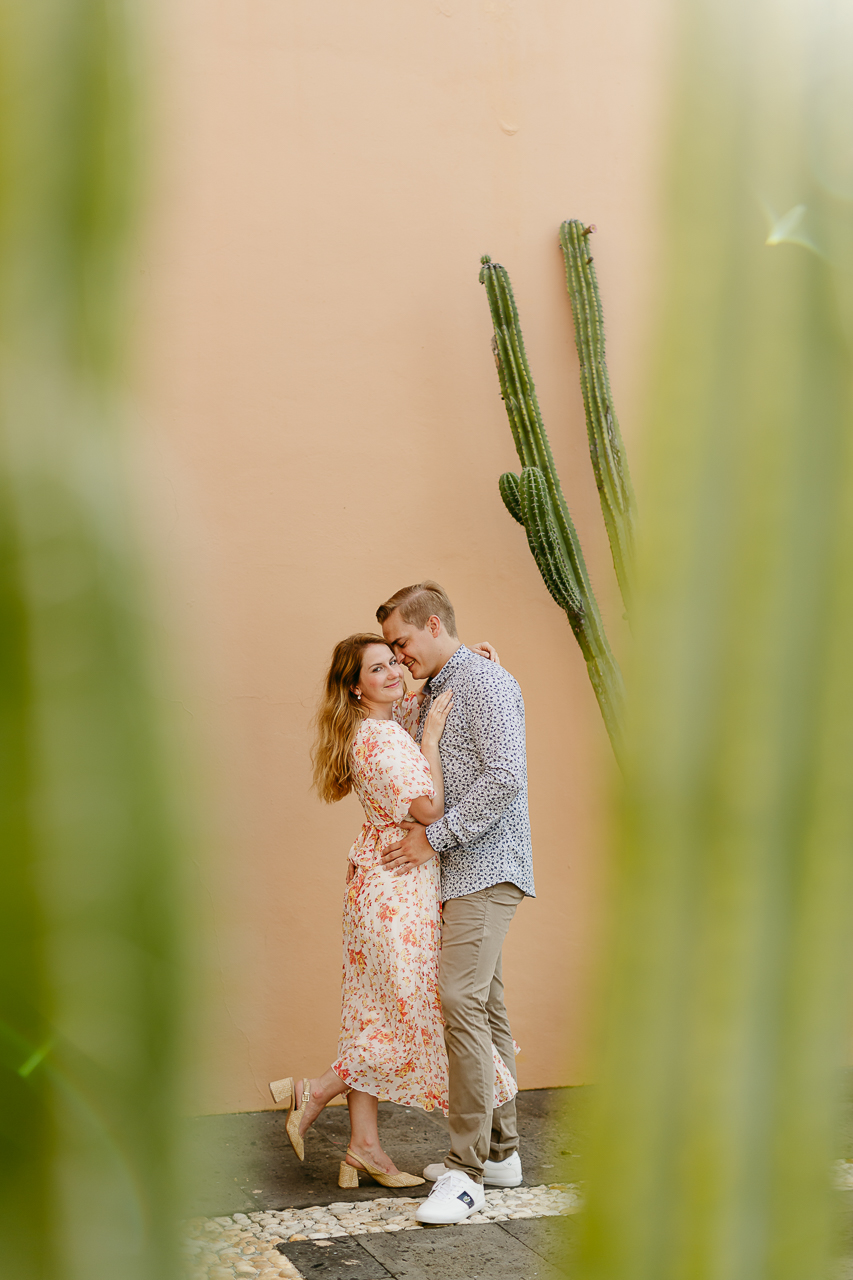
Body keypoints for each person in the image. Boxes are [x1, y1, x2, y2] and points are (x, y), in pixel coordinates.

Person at [269, 632, 517, 1189]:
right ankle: (315, 1091)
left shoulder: (379, 722)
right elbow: (430, 808)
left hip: (380, 885)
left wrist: (472, 669)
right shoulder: (382, 740)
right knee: (410, 1015)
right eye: (377, 670)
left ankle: (363, 1146)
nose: (393, 675)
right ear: (355, 688)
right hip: (397, 891)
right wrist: (429, 738)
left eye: (392, 664)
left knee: (372, 1011)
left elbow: (421, 692)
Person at [377, 581, 535, 1225]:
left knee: (459, 1001)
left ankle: (465, 1172)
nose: (397, 655)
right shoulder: (435, 692)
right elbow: (417, 756)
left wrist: (433, 839)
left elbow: (504, 778)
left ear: (434, 623)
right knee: (486, 1005)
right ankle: (501, 1153)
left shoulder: (489, 684)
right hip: (456, 874)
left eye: (401, 642)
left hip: (486, 868)